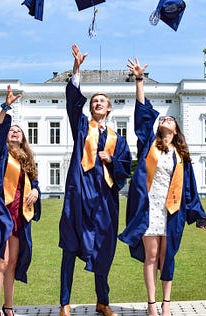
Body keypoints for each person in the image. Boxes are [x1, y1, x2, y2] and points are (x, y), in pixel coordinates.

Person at [118, 58, 206, 316]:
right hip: (149, 209)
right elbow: (141, 113)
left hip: (173, 210)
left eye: (171, 118)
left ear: (176, 128)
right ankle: (150, 303)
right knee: (151, 256)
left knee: (167, 257)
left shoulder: (181, 155)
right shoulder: (149, 143)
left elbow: (189, 188)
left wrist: (200, 215)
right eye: (164, 118)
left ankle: (166, 303)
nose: (166, 118)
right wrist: (139, 80)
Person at [58, 44, 132, 316]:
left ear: (110, 108)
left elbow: (126, 167)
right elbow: (72, 102)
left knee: (103, 251)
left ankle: (103, 302)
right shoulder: (82, 127)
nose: (97, 103)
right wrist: (76, 68)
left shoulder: (117, 140)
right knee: (69, 247)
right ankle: (65, 302)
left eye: (102, 101)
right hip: (78, 196)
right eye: (94, 101)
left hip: (104, 201)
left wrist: (111, 160)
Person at [0, 85, 42, 316]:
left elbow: (34, 185)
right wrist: (6, 107)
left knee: (12, 264)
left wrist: (37, 193)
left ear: (23, 138)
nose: (14, 132)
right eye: (11, 130)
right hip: (1, 215)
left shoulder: (27, 162)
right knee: (0, 264)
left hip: (20, 218)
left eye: (18, 131)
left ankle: (9, 307)